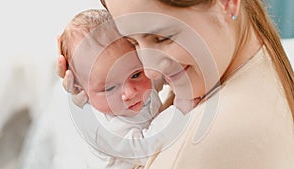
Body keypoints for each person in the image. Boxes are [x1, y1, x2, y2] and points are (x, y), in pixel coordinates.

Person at [57, 0, 294, 168]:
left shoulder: (204, 143)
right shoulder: (259, 55)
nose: (150, 70)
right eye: (133, 43)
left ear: (228, 2)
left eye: (162, 38)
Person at [58, 9, 176, 169]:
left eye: (135, 75)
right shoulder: (105, 128)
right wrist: (179, 108)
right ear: (83, 92)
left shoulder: (139, 83)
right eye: (110, 88)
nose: (130, 93)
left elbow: (159, 76)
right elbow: (146, 149)